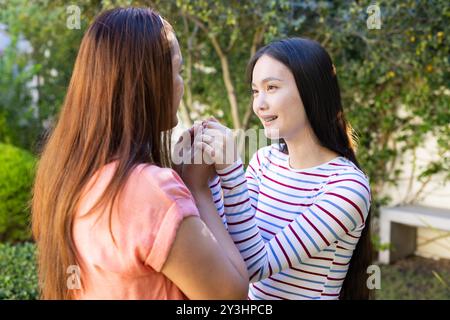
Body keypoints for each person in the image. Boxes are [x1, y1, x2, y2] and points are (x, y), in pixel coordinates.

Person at [31, 7, 248, 300]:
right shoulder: (149, 190)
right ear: (148, 82)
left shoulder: (65, 173)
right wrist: (196, 189)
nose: (181, 83)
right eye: (178, 70)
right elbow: (230, 296)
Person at [193, 37, 373, 300]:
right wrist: (207, 177)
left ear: (311, 91)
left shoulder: (346, 187)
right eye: (255, 91)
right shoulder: (265, 161)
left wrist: (230, 172)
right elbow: (227, 241)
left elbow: (255, 267)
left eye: (272, 87)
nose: (259, 104)